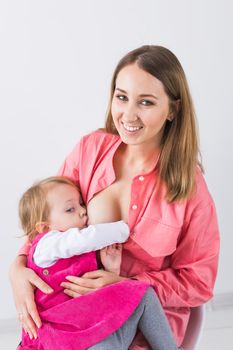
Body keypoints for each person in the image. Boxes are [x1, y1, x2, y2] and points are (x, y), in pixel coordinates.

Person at [9, 45, 220, 349]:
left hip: (144, 324)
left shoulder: (190, 187)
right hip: (73, 315)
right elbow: (47, 217)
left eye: (145, 102)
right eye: (121, 97)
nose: (128, 115)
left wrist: (127, 286)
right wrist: (17, 267)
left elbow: (198, 282)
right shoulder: (89, 150)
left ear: (172, 109)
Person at [17, 176, 179, 350]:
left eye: (81, 204)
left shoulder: (72, 250)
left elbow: (96, 292)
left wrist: (112, 270)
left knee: (143, 294)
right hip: (60, 338)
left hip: (91, 332)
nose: (82, 211)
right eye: (70, 209)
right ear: (45, 227)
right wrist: (126, 229)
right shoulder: (47, 245)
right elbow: (87, 238)